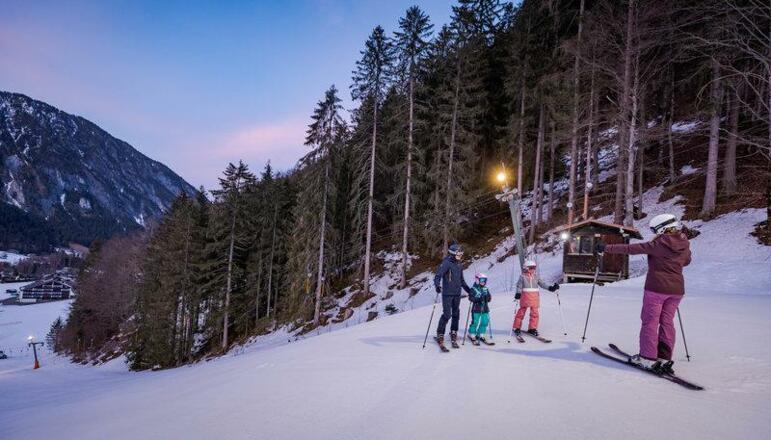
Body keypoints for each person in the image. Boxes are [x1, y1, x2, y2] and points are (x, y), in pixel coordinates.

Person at [596, 213, 691, 374]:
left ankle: (647, 357)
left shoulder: (659, 243)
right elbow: (687, 261)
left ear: (662, 228)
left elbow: (632, 249)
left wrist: (606, 247)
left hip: (656, 288)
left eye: (655, 229)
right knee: (667, 322)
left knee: (650, 322)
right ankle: (664, 357)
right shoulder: (685, 243)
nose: (654, 233)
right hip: (676, 290)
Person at [434, 243, 473, 348]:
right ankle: (440, 333)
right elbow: (438, 275)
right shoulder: (446, 263)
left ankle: (453, 331)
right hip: (447, 294)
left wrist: (470, 291)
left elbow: (462, 281)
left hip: (457, 294)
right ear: (452, 253)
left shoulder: (459, 265)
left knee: (456, 314)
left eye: (461, 254)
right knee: (447, 314)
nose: (460, 256)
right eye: (458, 254)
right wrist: (437, 285)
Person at [513, 259, 559, 337]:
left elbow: (542, 284)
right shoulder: (522, 277)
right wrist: (518, 293)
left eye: (534, 267)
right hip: (525, 297)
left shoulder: (536, 276)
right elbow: (519, 286)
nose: (533, 269)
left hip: (534, 297)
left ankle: (532, 328)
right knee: (521, 312)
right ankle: (517, 327)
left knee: (534, 313)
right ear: (526, 268)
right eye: (531, 268)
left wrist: (551, 288)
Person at [467, 272, 492, 344]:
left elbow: (489, 298)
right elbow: (471, 298)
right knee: (475, 322)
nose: (483, 282)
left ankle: (480, 334)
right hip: (476, 309)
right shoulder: (473, 289)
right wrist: (478, 299)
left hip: (485, 309)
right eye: (481, 280)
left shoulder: (486, 288)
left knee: (485, 322)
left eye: (485, 280)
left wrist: (487, 298)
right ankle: (472, 333)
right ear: (477, 280)